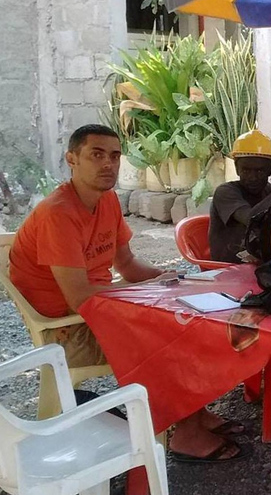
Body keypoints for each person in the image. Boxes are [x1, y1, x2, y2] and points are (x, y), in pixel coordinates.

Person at [9, 124, 249, 463]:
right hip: (66, 330)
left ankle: (194, 414)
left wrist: (171, 278)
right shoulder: (58, 214)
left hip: (97, 309)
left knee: (190, 320)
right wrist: (145, 296)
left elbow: (128, 266)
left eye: (114, 155)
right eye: (96, 154)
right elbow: (79, 297)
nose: (108, 163)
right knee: (170, 336)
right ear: (72, 159)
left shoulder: (106, 201)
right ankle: (184, 434)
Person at [210, 129, 271, 263]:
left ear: (270, 170)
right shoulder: (225, 192)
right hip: (228, 268)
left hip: (258, 266)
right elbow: (252, 219)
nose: (252, 178)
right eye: (246, 170)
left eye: (260, 171)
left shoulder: (270, 192)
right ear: (237, 168)